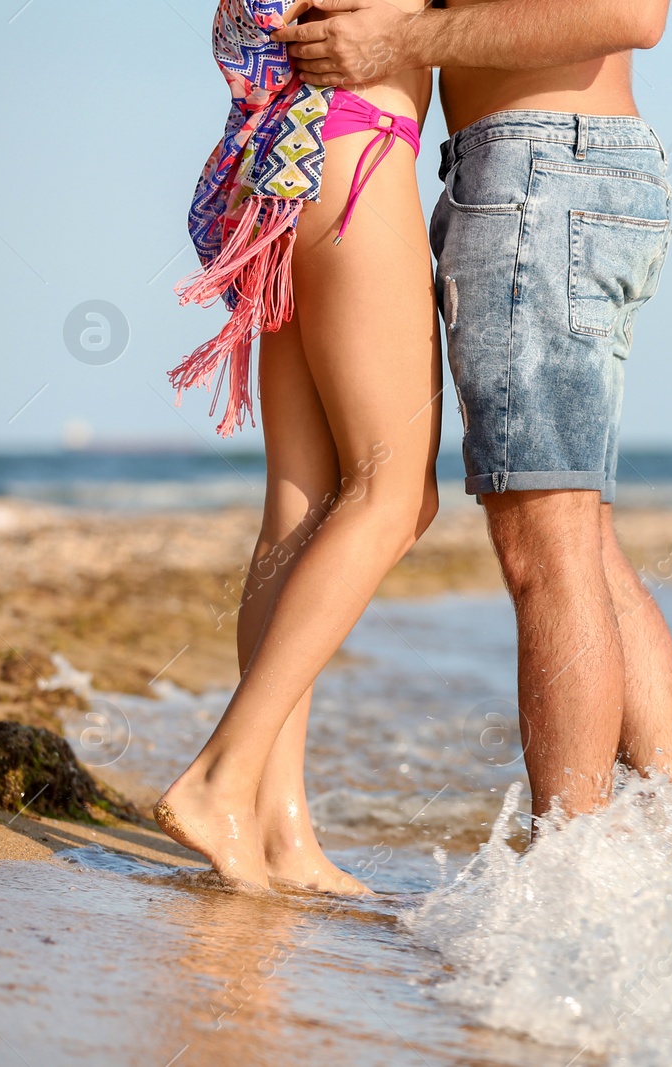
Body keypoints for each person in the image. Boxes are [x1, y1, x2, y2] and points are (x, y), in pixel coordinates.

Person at [274, 0, 672, 821]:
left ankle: (570, 867)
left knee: (547, 552)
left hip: (540, 175)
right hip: (562, 171)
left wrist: (404, 39)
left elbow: (630, 13)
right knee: (582, 543)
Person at [155, 0, 442, 892]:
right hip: (358, 151)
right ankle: (218, 777)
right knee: (396, 494)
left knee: (304, 497)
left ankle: (280, 830)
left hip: (291, 167)